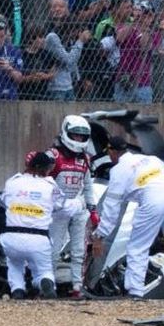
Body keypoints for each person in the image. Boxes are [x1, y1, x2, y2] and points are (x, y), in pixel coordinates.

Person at [91, 135, 164, 299]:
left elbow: (111, 208)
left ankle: (135, 292)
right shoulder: (151, 159)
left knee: (137, 247)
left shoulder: (118, 170)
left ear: (112, 152)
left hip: (151, 199)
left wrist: (100, 235)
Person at [0, 150, 68, 299]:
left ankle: (17, 290)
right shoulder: (49, 185)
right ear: (46, 168)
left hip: (11, 236)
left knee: (14, 264)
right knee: (44, 270)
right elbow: (61, 204)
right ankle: (44, 281)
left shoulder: (12, 182)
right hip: (38, 238)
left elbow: (2, 202)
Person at [44, 115, 97, 298]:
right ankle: (47, 285)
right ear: (66, 132)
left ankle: (77, 286)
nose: (79, 140)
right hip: (57, 209)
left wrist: (93, 210)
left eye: (82, 137)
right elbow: (40, 180)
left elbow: (88, 185)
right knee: (53, 248)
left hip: (78, 207)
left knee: (79, 250)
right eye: (75, 136)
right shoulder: (53, 155)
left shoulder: (86, 159)